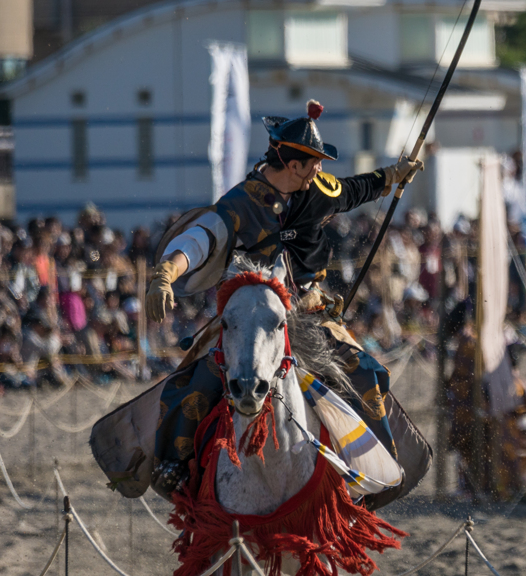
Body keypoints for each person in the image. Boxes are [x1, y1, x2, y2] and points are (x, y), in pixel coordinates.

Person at [135, 99, 423, 498]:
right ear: (293, 164)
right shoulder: (241, 202)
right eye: (314, 162)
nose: (320, 169)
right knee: (195, 382)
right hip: (252, 312)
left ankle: (372, 475)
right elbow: (202, 238)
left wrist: (394, 175)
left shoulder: (318, 189)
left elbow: (356, 189)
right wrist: (167, 273)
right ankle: (176, 467)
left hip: (309, 312)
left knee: (365, 373)